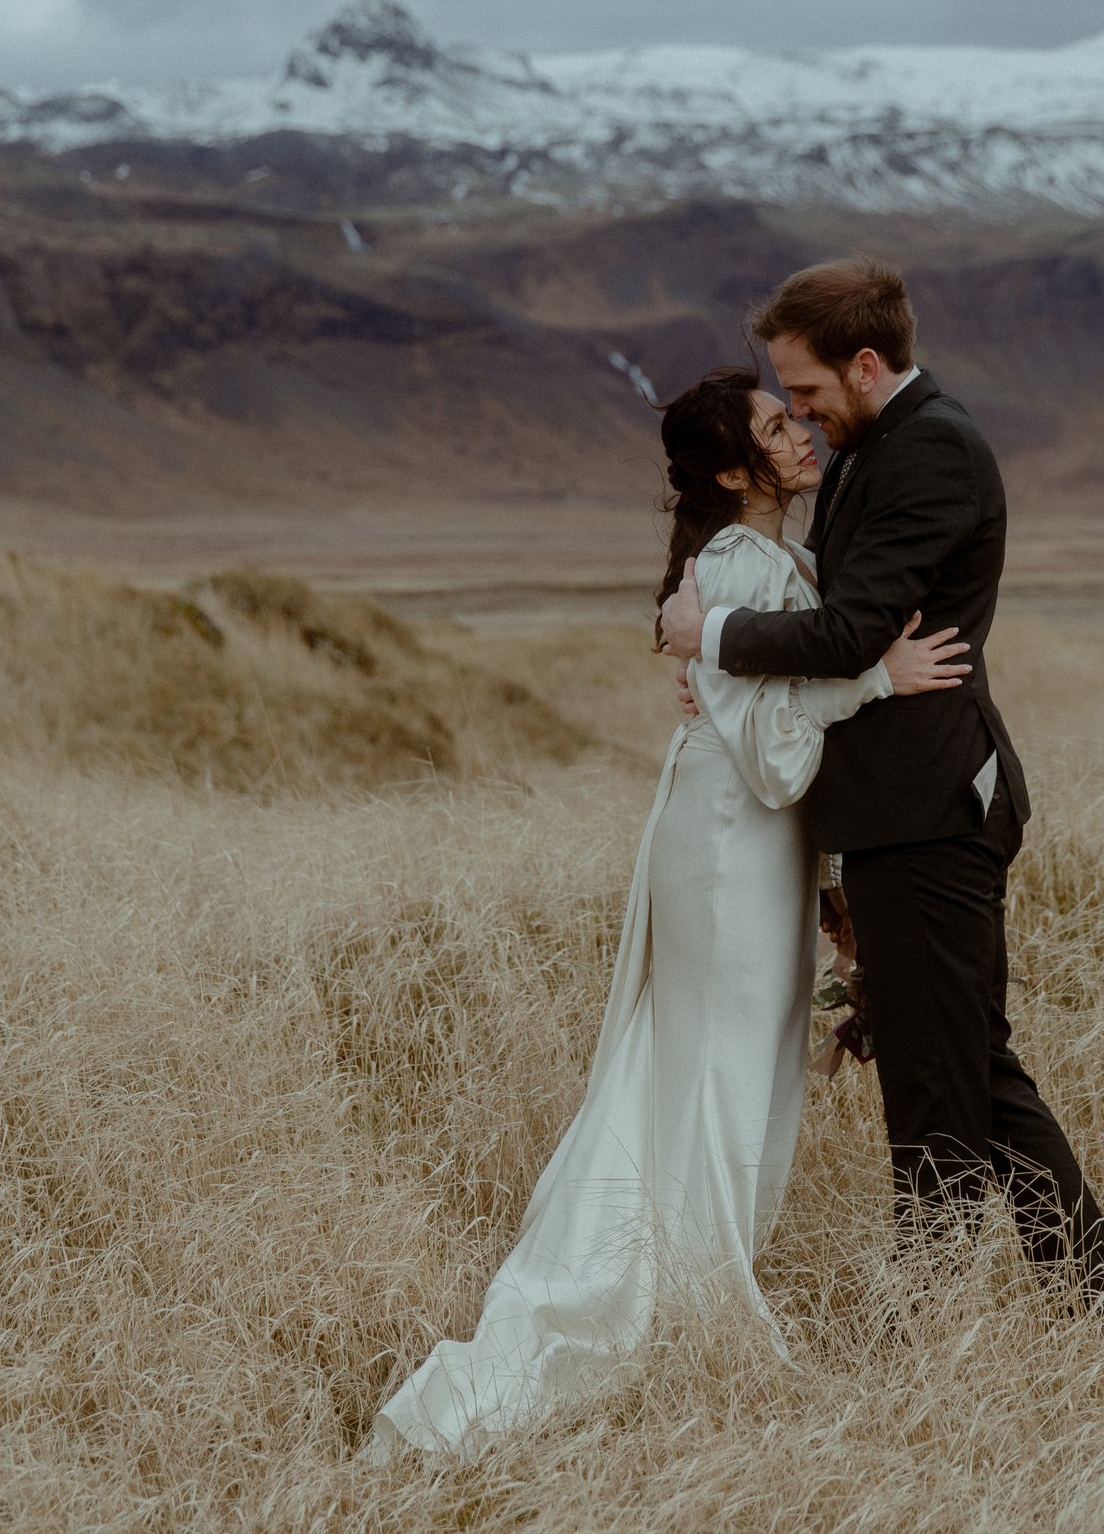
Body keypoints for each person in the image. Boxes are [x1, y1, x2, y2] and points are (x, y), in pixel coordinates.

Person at [362, 366, 971, 1460]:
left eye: (797, 418)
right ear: (734, 469)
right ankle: (678, 1303)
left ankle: (687, 1285)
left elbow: (765, 711)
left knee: (711, 1071)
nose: (800, 437)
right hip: (731, 850)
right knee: (718, 1074)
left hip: (749, 845)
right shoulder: (737, 565)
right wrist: (879, 677)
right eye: (776, 427)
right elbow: (777, 756)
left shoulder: (772, 561)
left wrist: (831, 884)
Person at [659, 257, 1104, 1310]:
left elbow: (852, 631)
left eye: (809, 392)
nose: (801, 415)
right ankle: (1089, 1301)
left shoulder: (933, 454)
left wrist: (715, 637)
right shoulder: (887, 447)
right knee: (958, 1064)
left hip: (930, 811)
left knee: (944, 1077)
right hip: (894, 814)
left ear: (865, 366)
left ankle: (956, 1302)